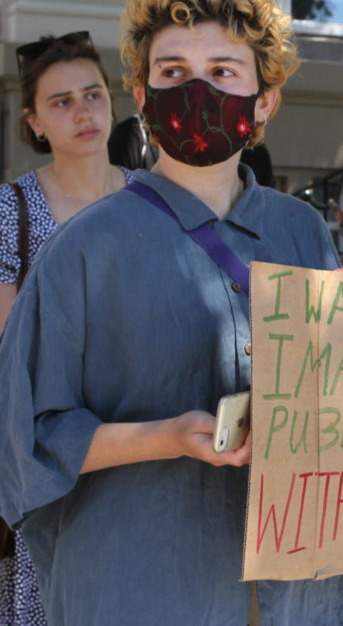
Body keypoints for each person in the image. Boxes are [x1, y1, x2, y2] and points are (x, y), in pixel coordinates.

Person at [0, 0, 343, 625]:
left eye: (223, 71)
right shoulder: (82, 250)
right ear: (141, 93)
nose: (195, 88)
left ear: (264, 99)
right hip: (143, 590)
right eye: (171, 72)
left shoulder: (302, 230)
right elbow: (22, 440)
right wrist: (164, 435)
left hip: (298, 596)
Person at [0, 30, 135, 626]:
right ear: (34, 122)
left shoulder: (155, 199)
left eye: (94, 95)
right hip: (54, 457)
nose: (84, 112)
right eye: (61, 102)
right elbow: (15, 350)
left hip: (151, 445)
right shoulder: (12, 210)